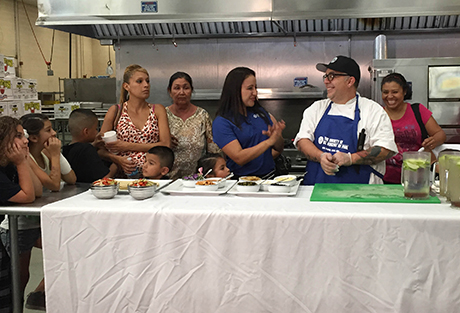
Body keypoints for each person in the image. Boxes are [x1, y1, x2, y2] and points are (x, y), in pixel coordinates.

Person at [295, 55, 398, 185]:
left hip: (360, 193)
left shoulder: (373, 111)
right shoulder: (317, 108)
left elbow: (385, 149)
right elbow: (302, 140)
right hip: (317, 190)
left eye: (331, 76)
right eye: (325, 76)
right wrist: (321, 156)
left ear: (350, 81)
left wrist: (351, 158)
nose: (326, 81)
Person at [0, 116, 42, 312]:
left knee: (15, 279)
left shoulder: (9, 164)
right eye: (18, 136)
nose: (25, 140)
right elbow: (26, 196)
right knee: (13, 279)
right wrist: (22, 162)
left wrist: (23, 160)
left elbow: (37, 191)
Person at [99, 64, 171, 177]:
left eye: (147, 81)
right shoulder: (115, 111)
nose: (146, 85)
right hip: (122, 175)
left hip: (152, 176)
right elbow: (99, 149)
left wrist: (126, 146)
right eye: (139, 81)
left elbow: (165, 145)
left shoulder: (157, 110)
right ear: (126, 86)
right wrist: (117, 159)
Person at [212, 67, 285, 178]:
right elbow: (239, 158)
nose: (255, 93)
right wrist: (268, 142)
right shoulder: (222, 122)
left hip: (269, 177)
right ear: (235, 90)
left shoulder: (261, 113)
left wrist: (277, 137)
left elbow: (278, 149)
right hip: (241, 182)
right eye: (250, 88)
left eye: (255, 88)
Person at [380, 72, 446, 184]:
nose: (390, 96)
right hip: (384, 179)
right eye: (385, 92)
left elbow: (441, 135)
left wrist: (432, 141)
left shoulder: (418, 110)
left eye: (395, 92)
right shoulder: (377, 114)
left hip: (417, 178)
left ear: (404, 92)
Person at [166, 72, 220, 179]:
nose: (181, 92)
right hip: (168, 179)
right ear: (170, 91)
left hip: (197, 180)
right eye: (176, 88)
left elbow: (213, 150)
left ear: (191, 90)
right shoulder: (162, 115)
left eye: (186, 88)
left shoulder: (202, 115)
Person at [20, 113, 76, 191]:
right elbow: (55, 185)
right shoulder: (26, 157)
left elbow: (71, 179)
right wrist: (55, 155)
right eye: (48, 130)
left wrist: (57, 154)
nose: (54, 133)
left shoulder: (47, 152)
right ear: (34, 138)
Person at [63, 109, 117, 183]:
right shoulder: (87, 150)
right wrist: (116, 163)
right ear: (86, 132)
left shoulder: (66, 149)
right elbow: (103, 180)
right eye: (95, 129)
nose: (97, 132)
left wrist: (94, 145)